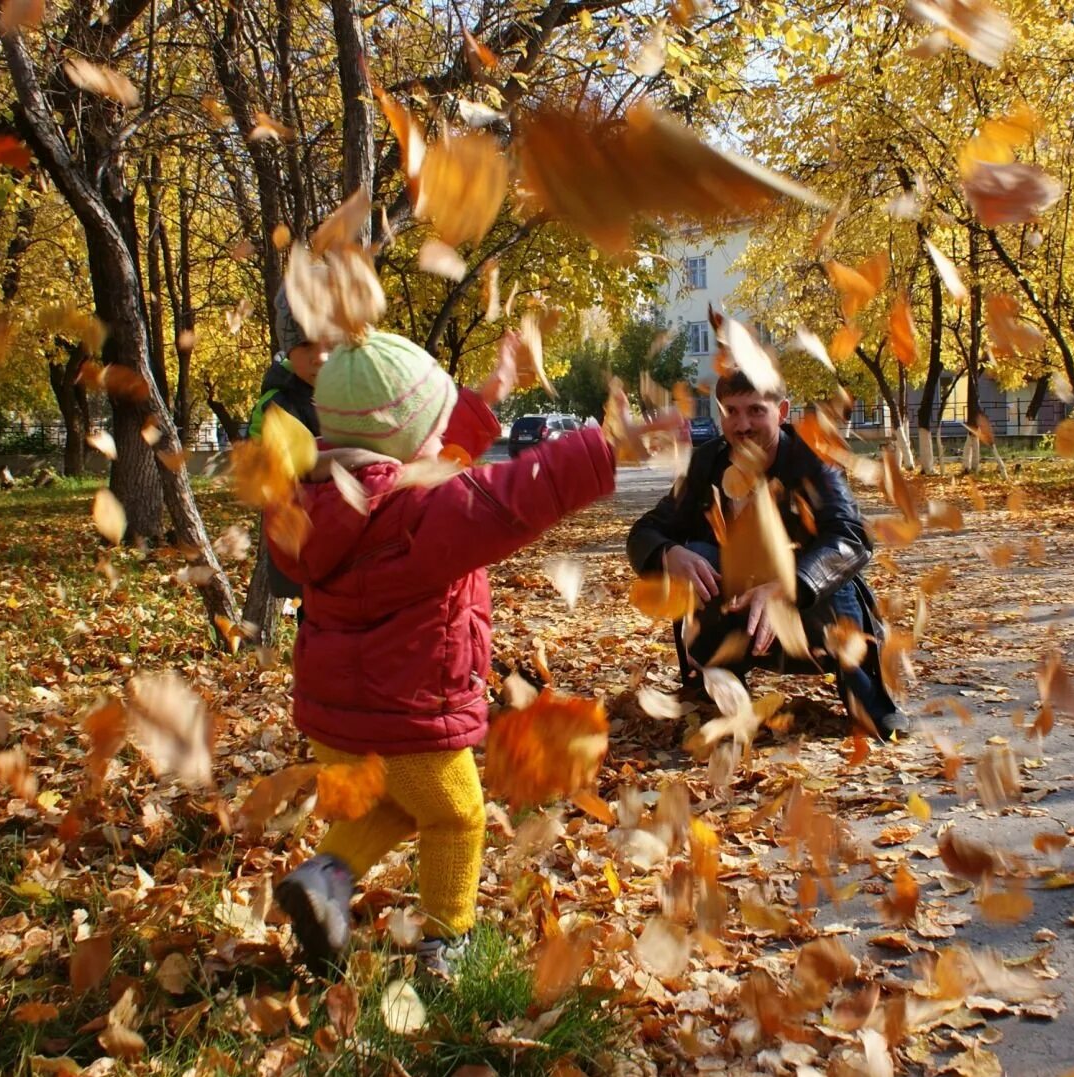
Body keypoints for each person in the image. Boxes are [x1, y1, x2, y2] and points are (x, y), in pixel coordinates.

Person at [267, 328, 665, 975]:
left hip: (336, 720)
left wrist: (491, 392)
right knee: (457, 817)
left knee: (395, 804)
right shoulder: (423, 513)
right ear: (402, 438)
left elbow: (435, 453)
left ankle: (324, 880)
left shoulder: (313, 501)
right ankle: (443, 943)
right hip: (408, 719)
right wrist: (604, 448)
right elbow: (512, 497)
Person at [626, 369, 907, 740]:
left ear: (782, 411)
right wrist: (668, 553)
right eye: (731, 411)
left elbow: (850, 537)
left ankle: (863, 693)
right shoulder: (707, 462)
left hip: (812, 617)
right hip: (740, 614)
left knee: (834, 576)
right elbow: (646, 530)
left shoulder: (813, 460)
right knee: (695, 554)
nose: (741, 425)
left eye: (756, 410)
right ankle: (719, 687)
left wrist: (786, 586)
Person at [248, 288, 326, 608]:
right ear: (288, 345)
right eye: (305, 344)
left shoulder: (353, 396)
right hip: (305, 540)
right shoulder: (277, 404)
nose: (319, 356)